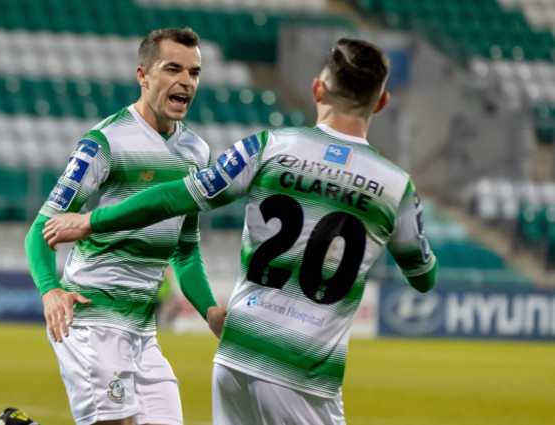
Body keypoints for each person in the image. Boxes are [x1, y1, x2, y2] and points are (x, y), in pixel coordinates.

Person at [42, 37, 439, 425]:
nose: (187, 79)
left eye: (194, 71)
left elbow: (172, 199)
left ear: (318, 89)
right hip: (306, 374)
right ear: (382, 102)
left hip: (236, 357)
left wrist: (92, 220)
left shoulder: (266, 147)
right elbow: (423, 276)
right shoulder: (396, 186)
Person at [24, 27, 226, 425]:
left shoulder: (196, 152)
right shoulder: (105, 142)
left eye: (194, 72)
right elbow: (40, 229)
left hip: (141, 329)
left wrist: (210, 310)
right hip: (91, 319)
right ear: (143, 75)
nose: (186, 81)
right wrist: (50, 290)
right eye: (173, 69)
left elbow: (185, 249)